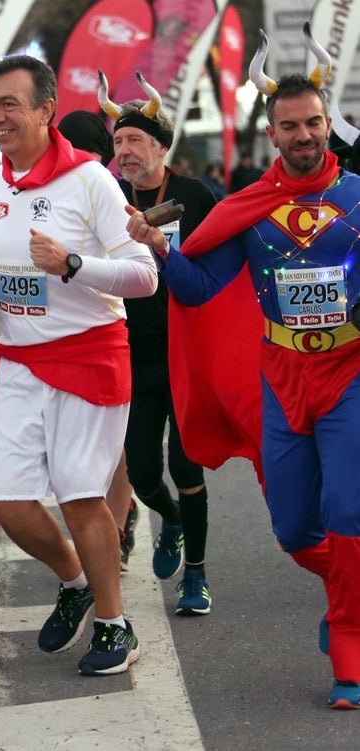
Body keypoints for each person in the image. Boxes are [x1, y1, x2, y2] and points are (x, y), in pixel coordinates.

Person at [125, 31, 360, 708]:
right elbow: (200, 289)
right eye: (290, 125)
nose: (304, 134)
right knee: (294, 529)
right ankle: (349, 590)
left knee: (347, 508)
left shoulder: (358, 200)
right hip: (283, 379)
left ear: (327, 124)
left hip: (349, 375)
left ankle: (348, 642)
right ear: (272, 133)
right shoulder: (251, 212)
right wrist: (162, 251)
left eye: (314, 121)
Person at [0, 55, 158, 676]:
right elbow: (2, 272)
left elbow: (144, 276)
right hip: (16, 358)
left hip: (88, 355)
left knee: (78, 493)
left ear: (46, 110)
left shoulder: (92, 182)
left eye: (10, 104)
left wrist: (74, 265)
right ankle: (74, 581)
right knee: (9, 501)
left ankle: (115, 625)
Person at [98, 75, 218, 615]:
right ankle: (167, 518)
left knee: (188, 468)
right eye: (118, 142)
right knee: (142, 470)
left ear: (160, 146)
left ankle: (195, 574)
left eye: (134, 141)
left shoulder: (195, 196)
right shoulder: (106, 196)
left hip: (186, 353)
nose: (123, 151)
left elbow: (220, 272)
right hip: (128, 352)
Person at [55, 109, 140, 569]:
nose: (75, 161)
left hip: (132, 318)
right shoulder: (47, 191)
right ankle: (107, 526)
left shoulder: (109, 189)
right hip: (79, 328)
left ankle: (119, 522)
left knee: (123, 444)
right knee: (94, 448)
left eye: (86, 153)